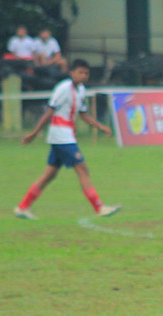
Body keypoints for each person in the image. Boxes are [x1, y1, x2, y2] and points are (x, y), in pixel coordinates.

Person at [14, 59, 121, 220]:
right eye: (81, 72)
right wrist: (34, 133)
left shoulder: (81, 90)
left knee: (49, 175)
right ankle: (99, 208)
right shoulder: (63, 88)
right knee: (82, 169)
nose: (84, 76)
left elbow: (83, 114)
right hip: (61, 135)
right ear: (72, 73)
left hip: (65, 136)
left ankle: (23, 207)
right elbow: (50, 111)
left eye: (86, 73)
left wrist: (100, 126)